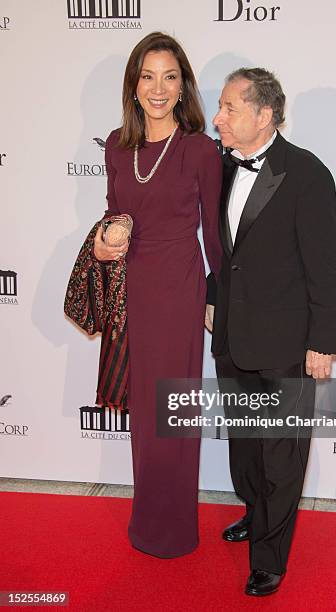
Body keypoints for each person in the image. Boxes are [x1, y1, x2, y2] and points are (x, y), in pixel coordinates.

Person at [206, 68, 336, 596]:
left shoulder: (308, 174)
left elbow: (324, 267)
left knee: (282, 453)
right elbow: (223, 253)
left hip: (287, 343)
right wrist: (212, 300)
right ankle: (255, 516)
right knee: (245, 445)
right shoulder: (217, 168)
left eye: (229, 108)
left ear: (265, 116)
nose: (218, 117)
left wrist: (322, 342)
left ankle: (270, 557)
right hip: (233, 338)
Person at [93, 32, 222, 558]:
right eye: (148, 76)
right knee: (145, 415)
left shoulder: (200, 149)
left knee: (174, 411)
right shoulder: (117, 146)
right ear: (134, 83)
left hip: (179, 290)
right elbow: (111, 212)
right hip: (132, 293)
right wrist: (106, 240)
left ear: (183, 84)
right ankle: (146, 522)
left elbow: (214, 233)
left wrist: (218, 295)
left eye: (170, 76)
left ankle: (173, 530)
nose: (158, 88)